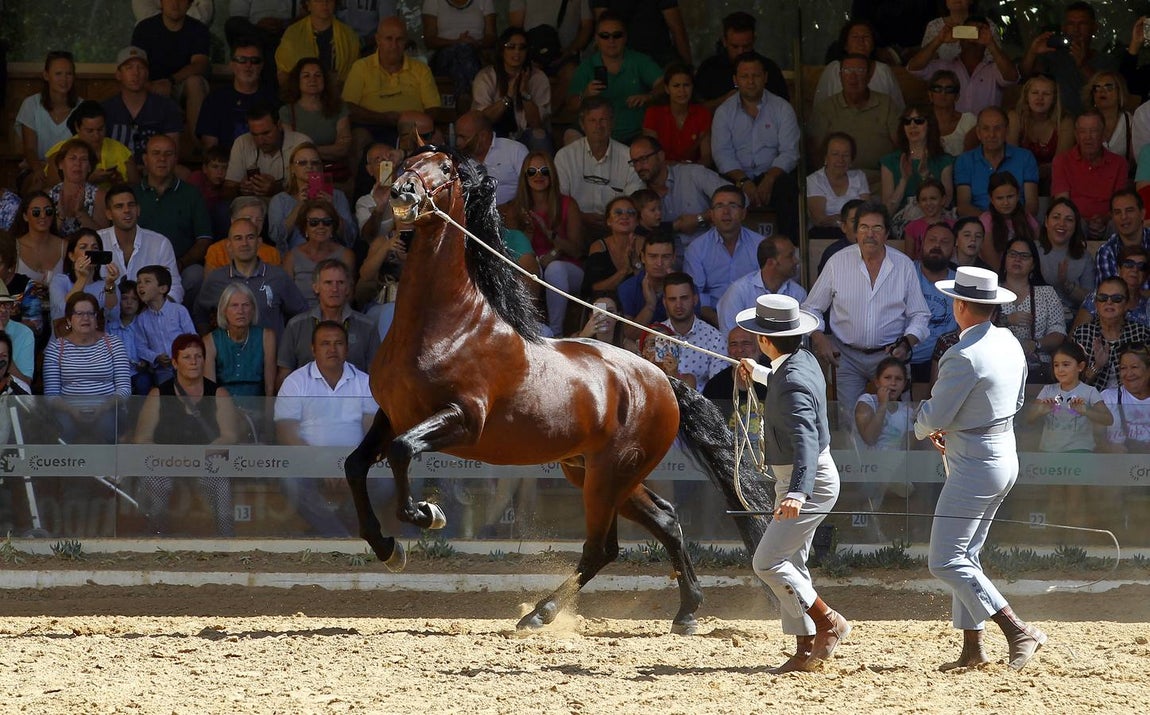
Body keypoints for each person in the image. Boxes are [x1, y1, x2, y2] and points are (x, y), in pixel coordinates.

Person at [915, 265, 1048, 671]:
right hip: (1002, 451)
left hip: (975, 461)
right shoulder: (1008, 340)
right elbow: (1018, 397)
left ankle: (1016, 629)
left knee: (945, 560)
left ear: (959, 306)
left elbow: (933, 413)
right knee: (966, 555)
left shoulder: (962, 355)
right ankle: (973, 650)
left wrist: (930, 425)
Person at [733, 293, 849, 674]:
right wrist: (758, 370)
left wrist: (798, 492)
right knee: (792, 563)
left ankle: (827, 620)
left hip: (807, 480)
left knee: (767, 561)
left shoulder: (793, 380)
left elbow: (806, 442)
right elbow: (785, 379)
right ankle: (803, 648)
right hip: (804, 478)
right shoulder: (801, 361)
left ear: (766, 341)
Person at [803, 201, 931, 426]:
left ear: (887, 233)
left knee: (896, 422)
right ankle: (856, 464)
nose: (869, 234)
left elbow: (920, 315)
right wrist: (819, 337)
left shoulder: (903, 265)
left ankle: (893, 463)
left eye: (876, 228)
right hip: (846, 356)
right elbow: (811, 308)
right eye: (863, 227)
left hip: (890, 356)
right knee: (849, 423)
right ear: (855, 231)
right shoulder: (837, 262)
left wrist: (906, 344)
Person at [274, 320, 382, 536]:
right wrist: (320, 465)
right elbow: (286, 432)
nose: (332, 349)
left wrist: (353, 466)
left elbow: (374, 432)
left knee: (386, 481)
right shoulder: (295, 382)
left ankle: (339, 523)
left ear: (347, 349)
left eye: (338, 343)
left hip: (355, 461)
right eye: (325, 344)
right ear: (313, 349)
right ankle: (340, 535)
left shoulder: (365, 382)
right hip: (309, 461)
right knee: (289, 481)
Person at [135, 333, 237, 536]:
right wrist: (166, 457)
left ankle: (226, 539)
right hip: (166, 463)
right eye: (187, 357)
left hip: (207, 462)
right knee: (156, 481)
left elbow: (229, 436)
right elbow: (142, 438)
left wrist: (200, 457)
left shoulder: (218, 394)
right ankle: (157, 538)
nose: (193, 362)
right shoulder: (158, 394)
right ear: (174, 362)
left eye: (198, 356)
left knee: (220, 481)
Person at [711, 53, 801, 241]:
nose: (750, 81)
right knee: (720, 192)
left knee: (789, 188)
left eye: (756, 76)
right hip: (736, 176)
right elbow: (722, 155)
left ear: (765, 78)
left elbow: (790, 152)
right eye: (744, 76)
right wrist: (743, 181)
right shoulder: (724, 112)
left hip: (772, 174)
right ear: (735, 80)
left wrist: (769, 178)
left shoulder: (782, 108)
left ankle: (789, 249)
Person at [505, 151, 586, 335]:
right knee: (532, 268)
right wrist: (530, 233)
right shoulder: (516, 207)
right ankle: (524, 326)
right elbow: (515, 249)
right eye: (532, 171)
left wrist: (552, 237)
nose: (538, 175)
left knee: (555, 269)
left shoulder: (567, 204)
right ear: (525, 177)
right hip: (535, 265)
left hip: (568, 268)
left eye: (544, 170)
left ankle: (556, 332)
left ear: (553, 174)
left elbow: (577, 250)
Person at [42, 293, 131, 444]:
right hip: (67, 411)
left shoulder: (114, 344)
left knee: (107, 427)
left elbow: (124, 389)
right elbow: (51, 394)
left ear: (97, 319)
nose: (86, 318)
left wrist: (103, 408)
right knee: (62, 432)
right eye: (79, 313)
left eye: (90, 313)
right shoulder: (56, 348)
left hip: (108, 408)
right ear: (69, 320)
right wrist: (71, 410)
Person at [196, 217, 307, 338]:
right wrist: (209, 343)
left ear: (259, 243)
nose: (244, 243)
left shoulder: (278, 277)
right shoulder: (216, 279)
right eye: (238, 238)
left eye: (250, 237)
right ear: (229, 245)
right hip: (229, 355)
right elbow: (200, 314)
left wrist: (289, 347)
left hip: (272, 354)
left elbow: (301, 313)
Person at [342, 16, 443, 149]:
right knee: (358, 137)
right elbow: (348, 107)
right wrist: (383, 118)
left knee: (434, 137)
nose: (394, 45)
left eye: (399, 39)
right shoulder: (361, 67)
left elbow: (434, 108)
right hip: (371, 128)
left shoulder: (421, 69)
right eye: (389, 39)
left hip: (412, 130)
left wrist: (412, 124)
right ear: (378, 40)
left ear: (405, 41)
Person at [277, 258, 379, 389]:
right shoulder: (296, 326)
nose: (334, 289)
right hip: (308, 404)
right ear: (316, 287)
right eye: (328, 283)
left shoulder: (367, 327)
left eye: (340, 283)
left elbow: (375, 375)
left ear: (348, 288)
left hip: (353, 404)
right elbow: (284, 375)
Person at [565, 11, 664, 145]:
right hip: (595, 135)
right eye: (604, 36)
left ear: (625, 37)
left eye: (617, 35)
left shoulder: (639, 61)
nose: (611, 41)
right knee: (571, 135)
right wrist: (586, 94)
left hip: (633, 135)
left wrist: (649, 96)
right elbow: (571, 105)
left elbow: (664, 83)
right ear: (597, 39)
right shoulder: (587, 66)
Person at [135, 134, 213, 299]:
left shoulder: (191, 194)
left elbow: (204, 239)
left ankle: (185, 321)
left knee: (197, 274)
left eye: (168, 154)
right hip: (138, 268)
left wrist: (181, 263)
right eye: (156, 153)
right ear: (145, 159)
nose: (162, 159)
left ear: (176, 159)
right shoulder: (132, 194)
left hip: (180, 268)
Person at [808, 53, 900, 185]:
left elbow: (900, 145)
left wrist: (890, 175)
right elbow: (815, 152)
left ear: (869, 77)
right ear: (840, 76)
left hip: (880, 180)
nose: (853, 76)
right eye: (847, 71)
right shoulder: (826, 108)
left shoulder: (887, 104)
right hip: (838, 181)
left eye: (860, 71)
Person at [553, 97, 643, 229]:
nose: (598, 126)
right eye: (592, 120)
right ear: (582, 125)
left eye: (603, 120)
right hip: (576, 225)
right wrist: (581, 216)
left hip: (616, 228)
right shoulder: (565, 156)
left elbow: (633, 201)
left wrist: (612, 219)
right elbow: (560, 201)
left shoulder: (628, 156)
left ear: (612, 122)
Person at [629, 135, 725, 255]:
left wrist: (700, 218)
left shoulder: (693, 174)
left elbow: (737, 200)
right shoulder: (638, 193)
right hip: (664, 263)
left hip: (710, 253)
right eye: (634, 162)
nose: (638, 167)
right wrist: (676, 226)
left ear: (660, 156)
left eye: (643, 159)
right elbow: (632, 229)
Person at [683, 185, 766, 325]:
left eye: (733, 206)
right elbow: (694, 295)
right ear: (712, 214)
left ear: (743, 213)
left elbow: (769, 288)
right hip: (711, 321)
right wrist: (720, 321)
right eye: (719, 206)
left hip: (755, 321)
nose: (726, 212)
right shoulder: (696, 249)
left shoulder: (761, 245)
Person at [1020, 1, 1118, 117]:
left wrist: (1083, 65)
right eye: (1071, 24)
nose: (1076, 29)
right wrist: (1032, 51)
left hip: (1092, 127)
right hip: (1058, 124)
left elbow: (1107, 91)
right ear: (1064, 28)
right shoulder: (1053, 56)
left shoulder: (1106, 61)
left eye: (1082, 24)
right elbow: (1024, 76)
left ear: (1094, 27)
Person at [907, 15, 1017, 116]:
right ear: (960, 39)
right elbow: (914, 68)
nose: (973, 38)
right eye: (969, 31)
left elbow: (1012, 77)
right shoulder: (944, 67)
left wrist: (991, 44)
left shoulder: (994, 70)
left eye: (979, 32)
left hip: (986, 134)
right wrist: (939, 40)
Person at [130, 0, 210, 139]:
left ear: (189, 4)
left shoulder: (198, 29)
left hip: (180, 84)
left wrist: (170, 81)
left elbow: (200, 64)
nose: (175, 4)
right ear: (161, 2)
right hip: (152, 85)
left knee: (195, 82)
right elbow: (135, 65)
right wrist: (152, 86)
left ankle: (198, 146)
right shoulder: (144, 28)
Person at [996, 237, 1067, 383]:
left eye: (1024, 256)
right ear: (1005, 260)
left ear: (1033, 264)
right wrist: (1007, 320)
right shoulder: (992, 291)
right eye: (1013, 254)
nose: (1018, 259)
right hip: (997, 365)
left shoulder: (1047, 293)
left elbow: (1059, 333)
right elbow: (978, 324)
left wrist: (1036, 344)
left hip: (1038, 369)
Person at [471, 26, 553, 153]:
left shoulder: (538, 78)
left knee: (539, 137)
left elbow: (537, 124)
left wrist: (525, 94)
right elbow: (482, 120)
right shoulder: (486, 77)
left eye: (522, 47)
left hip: (525, 135)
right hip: (494, 136)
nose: (517, 52)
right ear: (502, 50)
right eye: (511, 46)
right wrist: (508, 96)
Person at [97, 184, 184, 302]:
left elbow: (174, 288)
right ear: (109, 214)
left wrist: (154, 308)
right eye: (119, 206)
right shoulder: (96, 242)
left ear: (138, 210)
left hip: (151, 314)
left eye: (131, 205)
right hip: (107, 315)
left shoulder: (160, 243)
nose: (127, 210)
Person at [1052, 111, 1130, 240]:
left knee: (1120, 222)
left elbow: (1120, 204)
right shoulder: (1062, 161)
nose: (1088, 137)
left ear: (1104, 134)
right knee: (1071, 222)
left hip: (1108, 222)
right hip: (1076, 222)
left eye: (1094, 131)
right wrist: (1084, 221)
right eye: (1083, 131)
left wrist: (1103, 220)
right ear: (1076, 135)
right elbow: (1062, 204)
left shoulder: (1119, 163)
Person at [101, 47, 184, 164]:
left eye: (141, 67)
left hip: (155, 174)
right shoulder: (104, 109)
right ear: (118, 74)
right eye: (129, 68)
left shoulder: (167, 107)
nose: (135, 73)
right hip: (115, 175)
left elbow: (172, 153)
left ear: (147, 73)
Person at [269, 144, 358, 253]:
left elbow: (350, 237)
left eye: (314, 162)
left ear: (321, 168)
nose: (309, 166)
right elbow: (276, 237)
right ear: (292, 169)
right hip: (295, 261)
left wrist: (330, 208)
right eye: (302, 163)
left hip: (331, 260)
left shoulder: (337, 196)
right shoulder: (280, 200)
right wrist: (299, 206)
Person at [692, 11, 789, 110]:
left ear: (754, 40)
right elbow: (693, 110)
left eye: (746, 46)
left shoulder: (769, 68)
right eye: (735, 46)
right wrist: (724, 101)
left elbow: (783, 107)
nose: (740, 52)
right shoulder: (709, 69)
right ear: (724, 41)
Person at [1027, 339, 1111, 453]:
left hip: (1080, 451)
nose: (1060, 369)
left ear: (1080, 366)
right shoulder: (1047, 390)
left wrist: (1085, 411)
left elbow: (1108, 419)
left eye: (1066, 364)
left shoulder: (1090, 391)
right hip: (1048, 451)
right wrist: (1040, 411)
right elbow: (1028, 418)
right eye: (1056, 365)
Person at [954, 106, 1039, 218]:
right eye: (986, 128)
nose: (992, 135)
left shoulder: (1025, 157)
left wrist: (1013, 225)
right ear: (978, 133)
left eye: (997, 128)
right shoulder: (964, 161)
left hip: (1018, 225)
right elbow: (963, 206)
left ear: (1007, 131)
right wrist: (992, 223)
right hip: (979, 227)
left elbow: (1032, 205)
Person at [197, 39, 279, 154]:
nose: (248, 65)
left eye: (255, 60)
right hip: (226, 166)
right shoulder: (215, 100)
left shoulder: (274, 98)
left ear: (262, 65)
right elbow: (210, 149)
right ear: (231, 64)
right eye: (242, 60)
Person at [14, 51, 79, 193]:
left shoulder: (82, 108)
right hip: (35, 169)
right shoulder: (31, 104)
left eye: (69, 74)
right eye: (58, 74)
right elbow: (29, 149)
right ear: (46, 75)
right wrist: (39, 169)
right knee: (37, 187)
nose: (64, 79)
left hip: (72, 172)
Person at [716, 234, 806, 336]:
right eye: (790, 256)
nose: (796, 261)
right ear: (771, 262)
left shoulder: (798, 293)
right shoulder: (738, 292)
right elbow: (730, 335)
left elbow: (801, 336)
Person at [879, 105, 954, 223]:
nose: (912, 126)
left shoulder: (944, 160)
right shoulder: (890, 161)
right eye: (907, 121)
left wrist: (926, 177)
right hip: (902, 224)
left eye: (919, 121)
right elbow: (887, 211)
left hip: (935, 222)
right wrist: (903, 181)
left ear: (930, 125)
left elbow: (946, 202)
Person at [1072, 277, 1150, 391]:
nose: (1109, 302)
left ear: (1126, 304)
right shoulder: (1082, 334)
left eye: (1116, 298)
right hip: (1092, 404)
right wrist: (1097, 366)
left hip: (1132, 403)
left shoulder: (1142, 334)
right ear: (1096, 304)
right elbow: (1073, 385)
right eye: (1102, 298)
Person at [223, 104, 312, 201]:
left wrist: (276, 190)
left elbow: (312, 186)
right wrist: (240, 189)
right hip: (252, 208)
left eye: (266, 133)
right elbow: (228, 189)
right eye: (255, 135)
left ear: (279, 125)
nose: (260, 140)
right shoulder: (242, 142)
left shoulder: (300, 143)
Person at [43, 100, 138, 190]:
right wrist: (88, 180)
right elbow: (51, 186)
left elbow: (136, 186)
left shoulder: (120, 150)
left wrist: (118, 183)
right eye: (90, 131)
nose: (96, 136)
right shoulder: (61, 151)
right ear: (77, 127)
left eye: (100, 129)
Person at [131, 263, 196, 392]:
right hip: (162, 370)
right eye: (138, 282)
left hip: (184, 365)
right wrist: (155, 357)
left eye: (147, 281)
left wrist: (182, 356)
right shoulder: (141, 319)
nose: (141, 286)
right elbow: (140, 347)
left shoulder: (179, 311)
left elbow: (192, 338)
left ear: (163, 288)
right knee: (167, 395)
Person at [1006, 74, 1074, 196]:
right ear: (1026, 96)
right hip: (1020, 179)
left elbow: (1060, 163)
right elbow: (1012, 157)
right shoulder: (1015, 117)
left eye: (1046, 94)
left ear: (1054, 98)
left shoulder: (1064, 121)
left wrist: (1037, 171)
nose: (1040, 98)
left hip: (1052, 179)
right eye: (1035, 93)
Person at [282, 199, 357, 310]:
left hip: (336, 318)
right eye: (314, 222)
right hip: (300, 318)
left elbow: (349, 296)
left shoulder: (346, 255)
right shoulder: (291, 257)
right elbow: (286, 298)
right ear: (305, 228)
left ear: (333, 227)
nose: (320, 226)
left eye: (326, 222)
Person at [203, 283, 276, 398]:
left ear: (253, 309)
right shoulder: (210, 341)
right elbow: (210, 390)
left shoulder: (267, 336)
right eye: (234, 305)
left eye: (246, 305)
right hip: (224, 408)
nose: (240, 311)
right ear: (224, 310)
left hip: (257, 408)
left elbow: (270, 388)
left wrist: (267, 415)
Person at [280, 57, 352, 171]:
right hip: (302, 172)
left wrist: (307, 152)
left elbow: (343, 149)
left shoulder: (339, 107)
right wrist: (329, 150)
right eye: (306, 76)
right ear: (297, 81)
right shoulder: (287, 111)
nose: (312, 79)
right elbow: (291, 150)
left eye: (318, 75)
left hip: (333, 171)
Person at [813, 19, 904, 111]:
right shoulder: (833, 71)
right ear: (845, 45)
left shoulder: (883, 71)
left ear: (873, 45)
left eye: (866, 37)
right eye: (855, 37)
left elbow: (898, 109)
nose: (861, 41)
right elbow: (819, 109)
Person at [657, 273, 725, 392]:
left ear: (695, 299)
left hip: (701, 407)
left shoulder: (715, 338)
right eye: (672, 299)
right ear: (664, 302)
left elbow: (718, 387)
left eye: (684, 298)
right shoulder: (655, 335)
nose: (678, 305)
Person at [422, 0, 497, 107]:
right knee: (462, 49)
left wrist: (476, 43)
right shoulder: (433, 2)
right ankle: (472, 103)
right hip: (443, 55)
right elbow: (429, 40)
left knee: (464, 52)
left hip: (476, 52)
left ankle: (463, 100)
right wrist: (457, 42)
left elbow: (492, 36)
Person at [910, 222, 959, 384]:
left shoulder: (959, 282)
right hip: (904, 358)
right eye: (932, 240)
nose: (937, 245)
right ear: (922, 244)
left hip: (943, 363)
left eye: (945, 242)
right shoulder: (906, 273)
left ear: (953, 249)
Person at [275, 0, 360, 87]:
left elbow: (354, 74)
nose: (325, 3)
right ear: (308, 4)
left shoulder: (349, 35)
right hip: (300, 96)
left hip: (339, 95)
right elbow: (283, 73)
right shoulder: (293, 33)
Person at [642, 63, 712, 167]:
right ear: (667, 89)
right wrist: (678, 166)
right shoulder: (653, 114)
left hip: (694, 172)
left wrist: (692, 169)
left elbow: (707, 156)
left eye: (686, 85)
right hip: (663, 172)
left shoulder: (702, 113)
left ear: (692, 87)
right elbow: (651, 156)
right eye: (676, 86)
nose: (682, 91)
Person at [453, 111, 529, 207]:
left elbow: (530, 190)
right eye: (457, 136)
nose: (458, 142)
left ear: (483, 136)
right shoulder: (460, 160)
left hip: (513, 216)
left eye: (463, 137)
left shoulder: (515, 150)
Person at [1037, 197, 1094, 322]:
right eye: (1056, 217)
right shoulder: (1032, 251)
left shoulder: (1085, 257)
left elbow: (1090, 300)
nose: (1061, 224)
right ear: (1046, 221)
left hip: (1072, 320)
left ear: (1075, 226)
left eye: (1069, 220)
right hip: (1038, 317)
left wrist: (1066, 284)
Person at [806, 132, 870, 239]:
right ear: (826, 157)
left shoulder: (859, 176)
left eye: (845, 155)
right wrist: (849, 220)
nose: (841, 160)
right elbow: (819, 219)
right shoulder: (814, 180)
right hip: (826, 232)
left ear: (851, 159)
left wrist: (843, 220)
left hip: (858, 230)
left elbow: (867, 211)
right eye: (835, 154)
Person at [591, 0, 692, 67]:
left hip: (658, 57)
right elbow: (603, 29)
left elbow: (677, 29)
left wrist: (687, 69)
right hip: (622, 59)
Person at [581, 196, 638, 316]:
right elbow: (596, 288)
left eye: (631, 213)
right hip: (606, 304)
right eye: (618, 212)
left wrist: (636, 263)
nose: (625, 216)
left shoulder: (647, 245)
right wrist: (624, 271)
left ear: (637, 221)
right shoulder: (599, 246)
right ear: (608, 221)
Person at [49, 228, 121, 321]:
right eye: (83, 247)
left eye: (95, 248)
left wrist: (110, 285)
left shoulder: (107, 284)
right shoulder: (59, 281)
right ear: (71, 256)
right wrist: (82, 278)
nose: (90, 252)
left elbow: (113, 316)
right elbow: (64, 312)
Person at [1075, 245, 1149, 329]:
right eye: (1129, 264)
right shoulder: (1099, 297)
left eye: (1141, 266)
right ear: (1119, 269)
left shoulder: (1148, 306)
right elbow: (1075, 337)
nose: (1135, 269)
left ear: (1146, 275)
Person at [618, 232, 675, 341]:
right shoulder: (627, 289)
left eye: (665, 257)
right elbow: (628, 336)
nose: (659, 263)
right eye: (653, 256)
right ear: (643, 257)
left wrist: (672, 295)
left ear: (673, 258)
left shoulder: (686, 288)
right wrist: (650, 306)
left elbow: (688, 334)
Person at [48, 139, 109, 235]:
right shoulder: (49, 195)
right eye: (72, 158)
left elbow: (103, 238)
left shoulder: (100, 196)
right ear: (60, 164)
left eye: (83, 159)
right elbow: (44, 238)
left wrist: (81, 213)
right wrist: (61, 217)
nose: (78, 164)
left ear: (89, 167)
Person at [979, 172, 1039, 268]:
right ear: (991, 199)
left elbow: (1038, 250)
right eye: (1000, 198)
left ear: (1018, 195)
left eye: (1010, 197)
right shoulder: (986, 220)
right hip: (998, 275)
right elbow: (990, 259)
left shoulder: (1027, 218)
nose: (1006, 202)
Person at [1100, 343, 1150, 452]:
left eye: (1134, 367)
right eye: (1123, 368)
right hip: (1115, 465)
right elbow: (1092, 439)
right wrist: (1109, 448)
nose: (1128, 373)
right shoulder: (1107, 398)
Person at [1095, 190, 1150, 287]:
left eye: (1129, 210)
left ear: (1142, 214)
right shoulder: (1106, 251)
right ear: (1112, 217)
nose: (1123, 217)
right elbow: (1113, 296)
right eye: (1117, 212)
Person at [1081, 71, 1134, 169]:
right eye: (1097, 87)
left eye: (1108, 87)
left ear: (1120, 92)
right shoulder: (1084, 121)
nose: (1102, 91)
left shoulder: (1130, 122)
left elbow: (1134, 162)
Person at [926, 70, 976, 157]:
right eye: (938, 89)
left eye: (949, 90)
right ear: (930, 95)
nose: (943, 93)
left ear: (957, 96)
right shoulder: (918, 122)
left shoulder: (969, 121)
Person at [901, 179, 951, 260]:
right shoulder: (911, 227)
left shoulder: (954, 226)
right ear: (918, 203)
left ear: (943, 200)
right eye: (924, 199)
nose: (928, 203)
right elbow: (909, 260)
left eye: (933, 198)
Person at [0, 281, 35, 385]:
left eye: (7, 304)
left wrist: (3, 340)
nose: (3, 310)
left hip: (10, 396)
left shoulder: (24, 333)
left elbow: (25, 383)